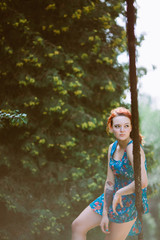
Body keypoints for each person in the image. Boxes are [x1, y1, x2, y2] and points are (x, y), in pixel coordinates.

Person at [71, 107, 149, 240]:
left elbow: (143, 182)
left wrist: (119, 193)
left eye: (126, 126)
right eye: (117, 126)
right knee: (78, 226)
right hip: (112, 196)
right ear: (111, 128)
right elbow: (110, 182)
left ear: (131, 128)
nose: (122, 130)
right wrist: (105, 214)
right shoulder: (112, 148)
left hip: (129, 201)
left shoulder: (132, 148)